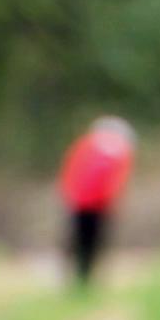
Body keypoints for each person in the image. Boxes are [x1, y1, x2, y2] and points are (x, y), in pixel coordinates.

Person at [57, 117, 134, 287]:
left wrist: (69, 194)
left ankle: (70, 277)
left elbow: (70, 171)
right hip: (99, 205)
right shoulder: (119, 152)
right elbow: (114, 182)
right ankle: (85, 278)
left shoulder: (86, 145)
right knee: (92, 243)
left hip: (78, 201)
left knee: (75, 240)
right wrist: (113, 204)